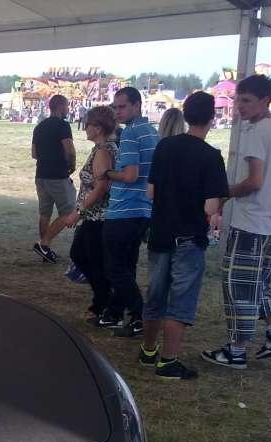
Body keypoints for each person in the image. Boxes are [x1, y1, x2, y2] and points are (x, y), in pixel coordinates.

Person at [134, 91, 228, 380]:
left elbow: (151, 191)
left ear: (185, 115)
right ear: (212, 118)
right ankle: (168, 362)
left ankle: (148, 350)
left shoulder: (165, 147)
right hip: (188, 238)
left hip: (160, 232)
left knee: (155, 296)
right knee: (181, 301)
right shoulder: (211, 156)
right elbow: (210, 208)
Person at [202, 74, 271, 368]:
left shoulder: (257, 131)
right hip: (268, 222)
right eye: (237, 100)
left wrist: (224, 193)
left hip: (251, 221)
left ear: (265, 100)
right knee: (259, 284)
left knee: (238, 285)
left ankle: (237, 350)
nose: (240, 106)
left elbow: (254, 181)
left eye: (246, 100)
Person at [93, 87, 159, 337]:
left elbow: (130, 175)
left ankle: (139, 315)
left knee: (114, 268)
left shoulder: (131, 133)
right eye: (115, 107)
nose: (117, 112)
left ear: (137, 105)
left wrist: (107, 173)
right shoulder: (151, 132)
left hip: (124, 209)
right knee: (127, 266)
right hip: (143, 209)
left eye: (122, 107)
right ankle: (119, 314)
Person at [48, 106, 117, 325]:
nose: (85, 128)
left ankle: (104, 303)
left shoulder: (103, 151)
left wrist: (78, 212)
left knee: (86, 258)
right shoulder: (103, 148)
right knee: (87, 258)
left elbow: (101, 187)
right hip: (95, 216)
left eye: (88, 124)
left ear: (98, 128)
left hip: (97, 217)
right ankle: (103, 302)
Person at [31, 94, 76, 262]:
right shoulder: (63, 125)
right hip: (58, 175)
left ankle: (45, 250)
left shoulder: (39, 127)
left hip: (40, 175)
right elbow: (69, 150)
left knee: (45, 213)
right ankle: (44, 244)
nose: (68, 109)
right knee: (69, 211)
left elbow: (34, 153)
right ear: (60, 106)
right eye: (67, 106)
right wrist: (71, 164)